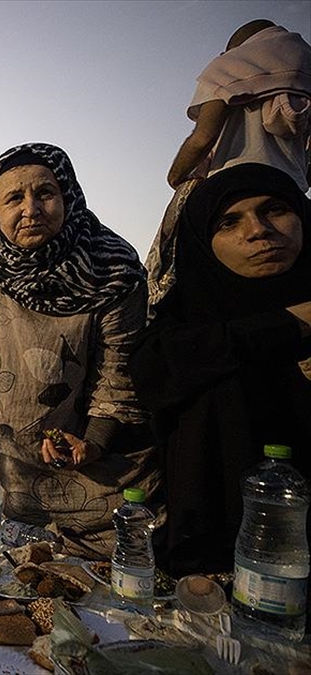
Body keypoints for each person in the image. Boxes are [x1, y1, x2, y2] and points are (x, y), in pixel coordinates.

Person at [0, 143, 160, 559]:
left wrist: (93, 442)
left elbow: (116, 375)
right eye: (14, 198)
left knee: (93, 560)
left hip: (82, 456)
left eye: (45, 194)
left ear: (68, 197)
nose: (30, 209)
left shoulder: (111, 269)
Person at [130, 163, 311, 578]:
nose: (258, 231)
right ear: (202, 241)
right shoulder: (186, 321)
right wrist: (291, 322)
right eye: (230, 222)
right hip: (206, 564)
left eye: (275, 210)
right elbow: (156, 371)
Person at [149, 20, 311, 314]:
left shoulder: (233, 65)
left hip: (229, 191)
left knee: (211, 291)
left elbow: (202, 138)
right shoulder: (304, 71)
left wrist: (176, 177)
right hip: (288, 195)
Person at [168, 20, 311, 191]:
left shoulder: (226, 68)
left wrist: (176, 176)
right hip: (291, 189)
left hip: (233, 186)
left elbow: (203, 138)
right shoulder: (305, 77)